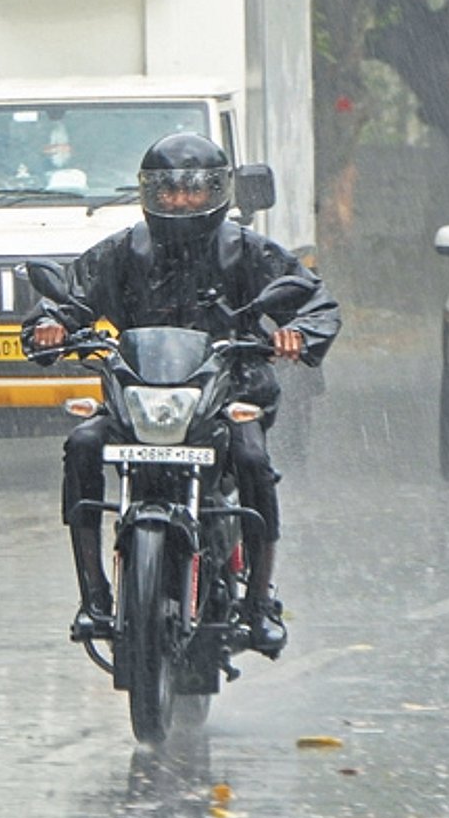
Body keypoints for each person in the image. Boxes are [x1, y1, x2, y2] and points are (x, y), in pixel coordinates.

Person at [21, 133, 341, 658]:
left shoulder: (249, 251)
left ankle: (259, 602)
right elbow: (69, 297)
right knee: (81, 444)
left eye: (195, 191)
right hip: (137, 402)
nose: (182, 202)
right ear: (149, 194)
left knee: (254, 459)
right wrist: (51, 325)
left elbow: (314, 300)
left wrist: (297, 334)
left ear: (219, 192)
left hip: (226, 395)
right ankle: (94, 594)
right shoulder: (124, 251)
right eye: (169, 191)